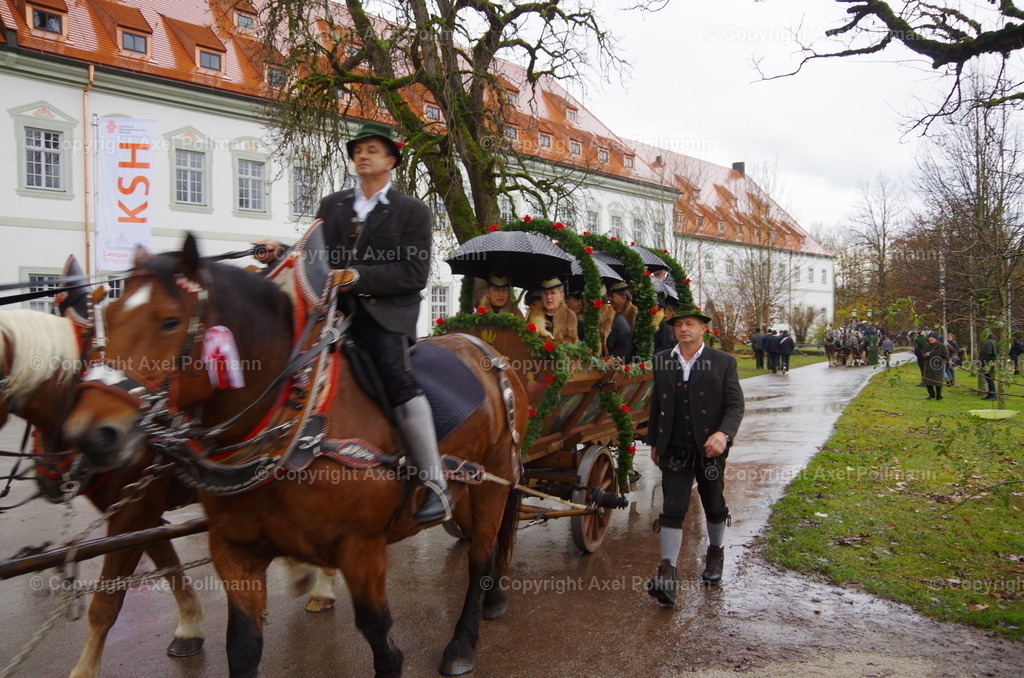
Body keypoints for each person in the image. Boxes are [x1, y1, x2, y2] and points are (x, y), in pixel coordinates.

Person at [253, 122, 450, 526]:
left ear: (391, 161)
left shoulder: (412, 210)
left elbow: (414, 273)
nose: (363, 155)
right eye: (359, 149)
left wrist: (356, 276)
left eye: (373, 150)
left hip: (384, 315)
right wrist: (281, 250)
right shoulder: (333, 205)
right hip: (333, 311)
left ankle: (435, 483)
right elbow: (316, 254)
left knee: (398, 379)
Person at [645, 303, 744, 605]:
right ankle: (667, 571)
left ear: (703, 328)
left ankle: (715, 552)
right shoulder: (662, 360)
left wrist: (723, 435)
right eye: (678, 325)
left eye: (690, 324)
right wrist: (654, 442)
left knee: (713, 502)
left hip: (710, 449)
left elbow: (735, 405)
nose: (683, 329)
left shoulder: (722, 361)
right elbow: (657, 406)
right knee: (672, 507)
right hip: (674, 448)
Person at [526, 277, 578, 344]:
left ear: (562, 296)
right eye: (545, 293)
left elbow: (572, 341)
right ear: (541, 296)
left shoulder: (569, 315)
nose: (549, 297)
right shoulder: (534, 314)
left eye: (553, 293)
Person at [922, 332, 950, 401]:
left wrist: (947, 360)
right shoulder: (927, 345)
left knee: (938, 382)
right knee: (928, 381)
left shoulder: (941, 346)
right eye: (929, 338)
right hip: (928, 366)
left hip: (937, 366)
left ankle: (939, 396)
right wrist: (925, 354)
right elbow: (923, 354)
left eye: (931, 338)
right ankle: (931, 395)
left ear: (936, 339)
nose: (930, 340)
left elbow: (946, 355)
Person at [979, 332, 999, 401]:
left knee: (989, 379)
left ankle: (992, 396)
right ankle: (990, 395)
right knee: (990, 379)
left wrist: (982, 363)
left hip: (987, 363)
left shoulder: (987, 343)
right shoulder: (995, 342)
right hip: (993, 362)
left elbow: (985, 354)